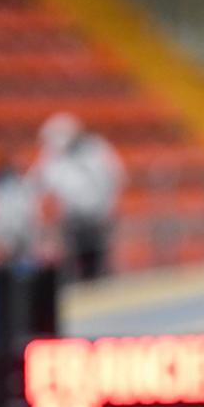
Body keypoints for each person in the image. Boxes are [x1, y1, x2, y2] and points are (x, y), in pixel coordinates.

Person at [31, 112, 124, 281]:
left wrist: (109, 206)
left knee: (98, 264)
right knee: (74, 266)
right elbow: (36, 185)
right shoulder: (53, 158)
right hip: (72, 221)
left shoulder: (97, 149)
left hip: (98, 218)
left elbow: (116, 177)